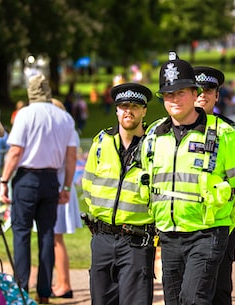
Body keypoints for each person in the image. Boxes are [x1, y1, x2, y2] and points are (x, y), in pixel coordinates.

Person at [142, 51, 235, 305]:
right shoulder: (154, 135)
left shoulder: (226, 134)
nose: (174, 99)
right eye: (168, 94)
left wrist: (223, 221)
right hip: (169, 235)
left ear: (195, 94)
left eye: (180, 92)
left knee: (194, 300)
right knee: (174, 301)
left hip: (207, 234)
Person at [0, 74, 77, 304]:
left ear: (30, 92)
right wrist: (67, 186)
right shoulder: (64, 117)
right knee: (46, 235)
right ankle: (44, 292)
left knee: (21, 233)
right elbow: (71, 157)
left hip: (27, 178)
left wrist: (4, 181)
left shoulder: (25, 114)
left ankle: (21, 289)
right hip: (51, 179)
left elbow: (15, 152)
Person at [82, 82, 156, 305]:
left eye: (135, 106)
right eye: (123, 106)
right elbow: (88, 185)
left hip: (136, 242)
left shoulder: (155, 146)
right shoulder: (101, 142)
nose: (128, 111)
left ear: (144, 111)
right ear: (116, 109)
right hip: (102, 238)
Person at [194, 65, 235, 305]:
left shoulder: (234, 132)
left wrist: (229, 221)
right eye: (197, 89)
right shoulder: (168, 131)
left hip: (222, 225)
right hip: (182, 228)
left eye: (209, 89)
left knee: (219, 291)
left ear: (217, 95)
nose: (203, 94)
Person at [50, 98, 82, 299]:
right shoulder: (70, 131)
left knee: (55, 238)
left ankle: (63, 283)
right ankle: (61, 281)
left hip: (59, 187)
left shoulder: (61, 132)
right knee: (54, 238)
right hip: (63, 185)